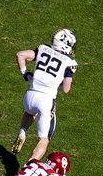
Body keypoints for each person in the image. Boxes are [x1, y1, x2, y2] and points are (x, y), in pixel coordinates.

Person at [11, 29, 77, 163]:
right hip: (46, 101)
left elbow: (20, 55)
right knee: (44, 139)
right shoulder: (69, 62)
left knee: (30, 112)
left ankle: (23, 131)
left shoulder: (43, 49)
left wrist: (25, 74)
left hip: (29, 96)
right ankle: (28, 168)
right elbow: (66, 89)